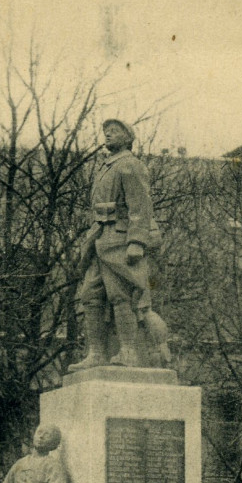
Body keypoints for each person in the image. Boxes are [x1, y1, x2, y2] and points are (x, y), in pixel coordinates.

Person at [70, 118, 169, 370]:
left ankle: (128, 352)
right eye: (106, 132)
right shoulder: (106, 166)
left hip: (120, 239)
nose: (108, 135)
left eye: (114, 131)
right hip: (100, 238)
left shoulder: (129, 166)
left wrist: (136, 241)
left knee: (120, 295)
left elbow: (140, 206)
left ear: (128, 137)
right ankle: (96, 353)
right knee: (90, 296)